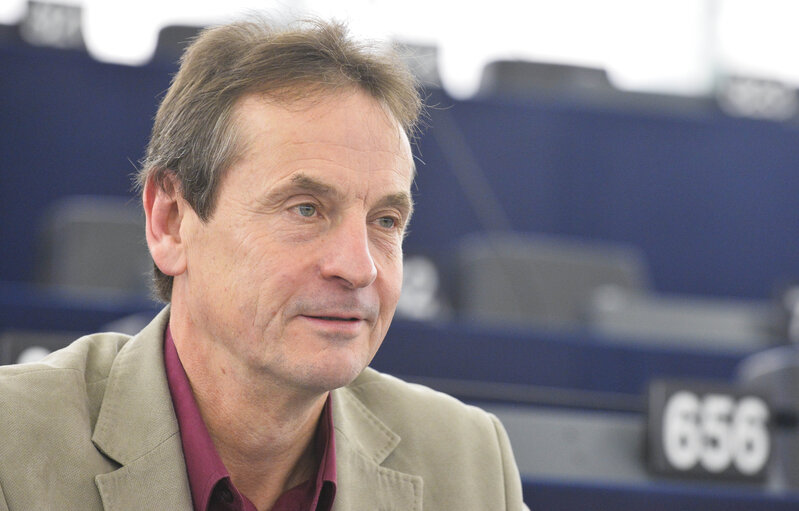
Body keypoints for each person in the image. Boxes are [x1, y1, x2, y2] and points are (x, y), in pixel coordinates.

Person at [0, 17, 527, 510]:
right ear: (171, 221)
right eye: (305, 209)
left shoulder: (470, 464)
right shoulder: (13, 448)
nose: (360, 268)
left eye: (385, 221)